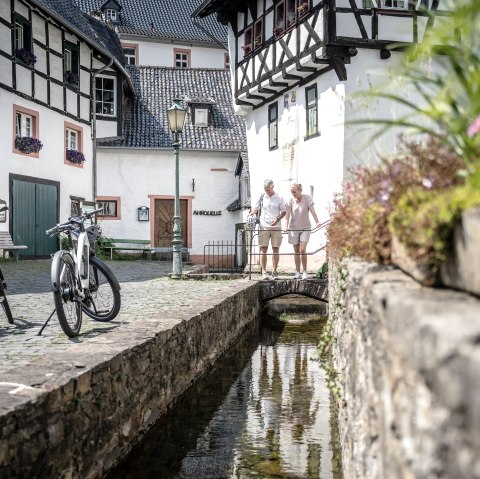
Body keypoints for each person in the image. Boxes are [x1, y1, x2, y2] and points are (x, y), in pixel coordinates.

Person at [248, 179, 286, 280]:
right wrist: (252, 212)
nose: (267, 192)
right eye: (266, 190)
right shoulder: (261, 196)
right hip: (263, 226)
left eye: (269, 190)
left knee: (275, 249)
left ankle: (274, 271)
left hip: (276, 227)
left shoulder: (279, 197)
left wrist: (277, 219)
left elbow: (284, 211)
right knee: (263, 249)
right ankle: (264, 272)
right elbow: (255, 207)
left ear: (273, 187)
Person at [284, 183, 320, 280]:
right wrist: (285, 226)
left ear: (300, 191)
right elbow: (287, 215)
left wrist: (317, 222)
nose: (293, 193)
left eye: (294, 192)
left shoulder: (307, 198)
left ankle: (304, 271)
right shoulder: (290, 201)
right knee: (296, 251)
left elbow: (312, 210)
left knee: (302, 249)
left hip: (305, 228)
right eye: (292, 192)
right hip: (293, 228)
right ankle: (297, 272)